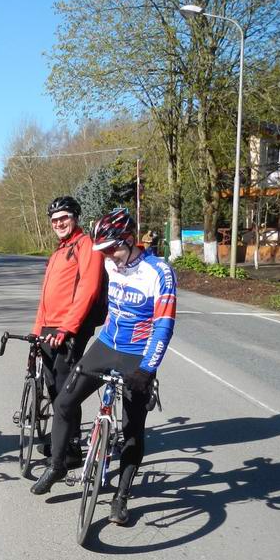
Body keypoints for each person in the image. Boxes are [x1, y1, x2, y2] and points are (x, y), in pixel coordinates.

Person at [30, 210, 177, 526]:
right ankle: (58, 464)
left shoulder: (159, 272)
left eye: (112, 248)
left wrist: (147, 371)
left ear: (128, 239)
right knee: (65, 401)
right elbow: (90, 296)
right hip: (107, 345)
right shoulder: (111, 262)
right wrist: (69, 332)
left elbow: (164, 326)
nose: (107, 255)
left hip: (138, 354)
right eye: (103, 250)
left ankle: (120, 496)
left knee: (132, 429)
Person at [31, 196, 105, 467]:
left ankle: (71, 450)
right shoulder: (59, 251)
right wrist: (37, 330)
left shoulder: (87, 246)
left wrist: (68, 327)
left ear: (75, 218)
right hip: (51, 327)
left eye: (64, 218)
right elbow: (45, 297)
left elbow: (88, 289)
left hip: (71, 327)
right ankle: (62, 440)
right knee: (53, 388)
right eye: (54, 220)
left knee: (66, 390)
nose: (59, 223)